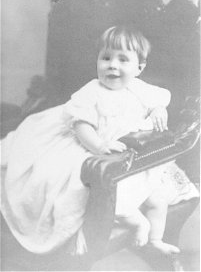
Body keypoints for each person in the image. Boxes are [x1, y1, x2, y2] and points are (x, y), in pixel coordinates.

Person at [1, 25, 198, 256]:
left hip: (131, 156)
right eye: (106, 58)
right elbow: (81, 126)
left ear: (139, 68)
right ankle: (137, 222)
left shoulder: (139, 89)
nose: (112, 65)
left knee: (158, 200)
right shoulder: (91, 92)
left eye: (123, 59)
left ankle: (155, 239)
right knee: (105, 199)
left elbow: (158, 102)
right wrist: (99, 146)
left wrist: (157, 111)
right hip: (92, 146)